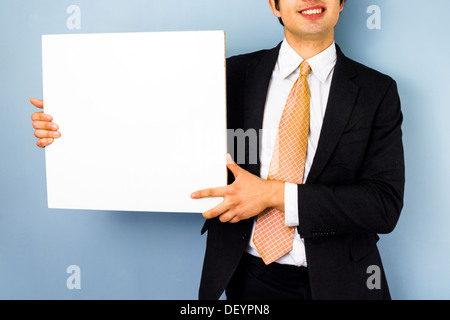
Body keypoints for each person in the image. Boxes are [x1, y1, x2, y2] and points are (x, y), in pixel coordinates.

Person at [30, 0, 405, 300]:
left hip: (343, 283)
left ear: (342, 3)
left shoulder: (377, 92)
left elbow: (383, 205)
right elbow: (148, 126)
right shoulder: (228, 75)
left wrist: (274, 195)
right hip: (247, 278)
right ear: (274, 5)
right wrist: (70, 125)